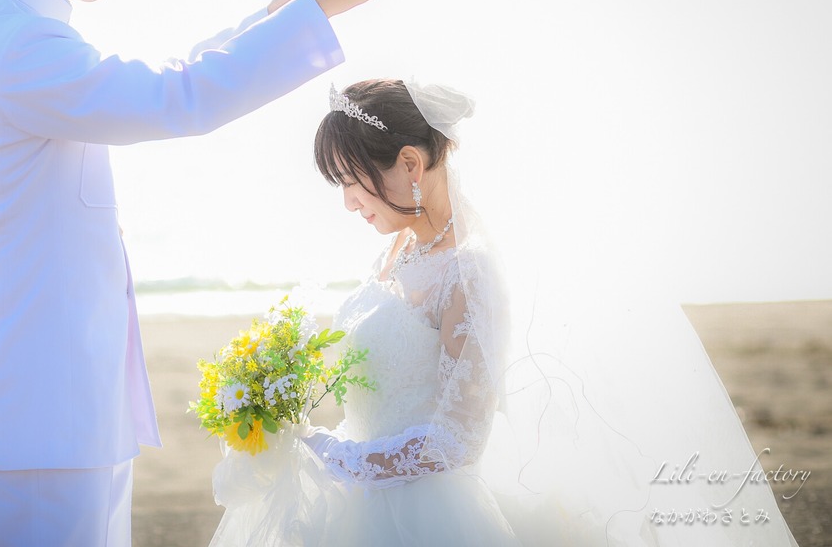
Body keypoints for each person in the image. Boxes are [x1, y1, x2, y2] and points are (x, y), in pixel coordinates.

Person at [0, 0, 387, 547]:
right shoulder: (22, 44)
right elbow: (176, 97)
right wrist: (319, 13)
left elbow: (165, 76)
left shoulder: (23, 32)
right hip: (41, 412)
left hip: (57, 409)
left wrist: (281, 17)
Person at [207, 78, 800, 546]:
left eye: (353, 182)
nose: (347, 203)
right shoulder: (394, 249)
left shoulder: (471, 274)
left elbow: (455, 441)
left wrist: (334, 457)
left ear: (411, 164)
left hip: (423, 514)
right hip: (359, 497)